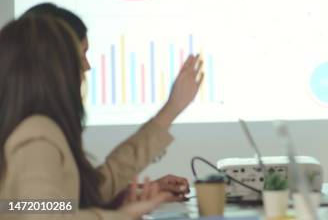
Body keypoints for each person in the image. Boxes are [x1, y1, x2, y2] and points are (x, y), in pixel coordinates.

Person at [0, 16, 204, 219]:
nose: (85, 67)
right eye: (76, 58)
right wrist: (120, 216)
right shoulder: (37, 134)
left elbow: (45, 206)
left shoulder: (31, 129)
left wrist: (130, 199)